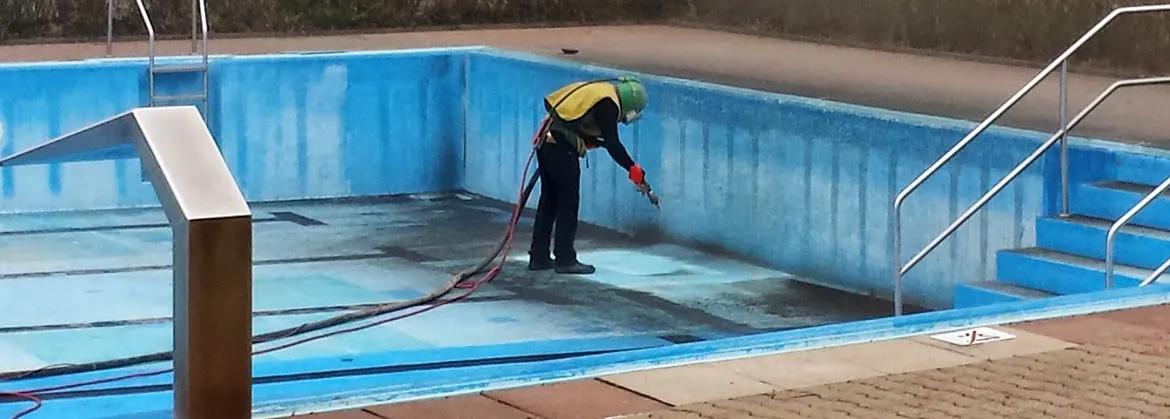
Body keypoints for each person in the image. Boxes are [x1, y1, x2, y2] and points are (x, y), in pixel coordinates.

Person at [527, 76, 652, 275]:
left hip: (548, 140)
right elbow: (612, 142)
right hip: (560, 146)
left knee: (549, 200)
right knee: (568, 201)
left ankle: (539, 256)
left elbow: (576, 121)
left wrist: (588, 140)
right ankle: (565, 259)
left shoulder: (602, 92)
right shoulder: (609, 104)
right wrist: (632, 168)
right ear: (631, 104)